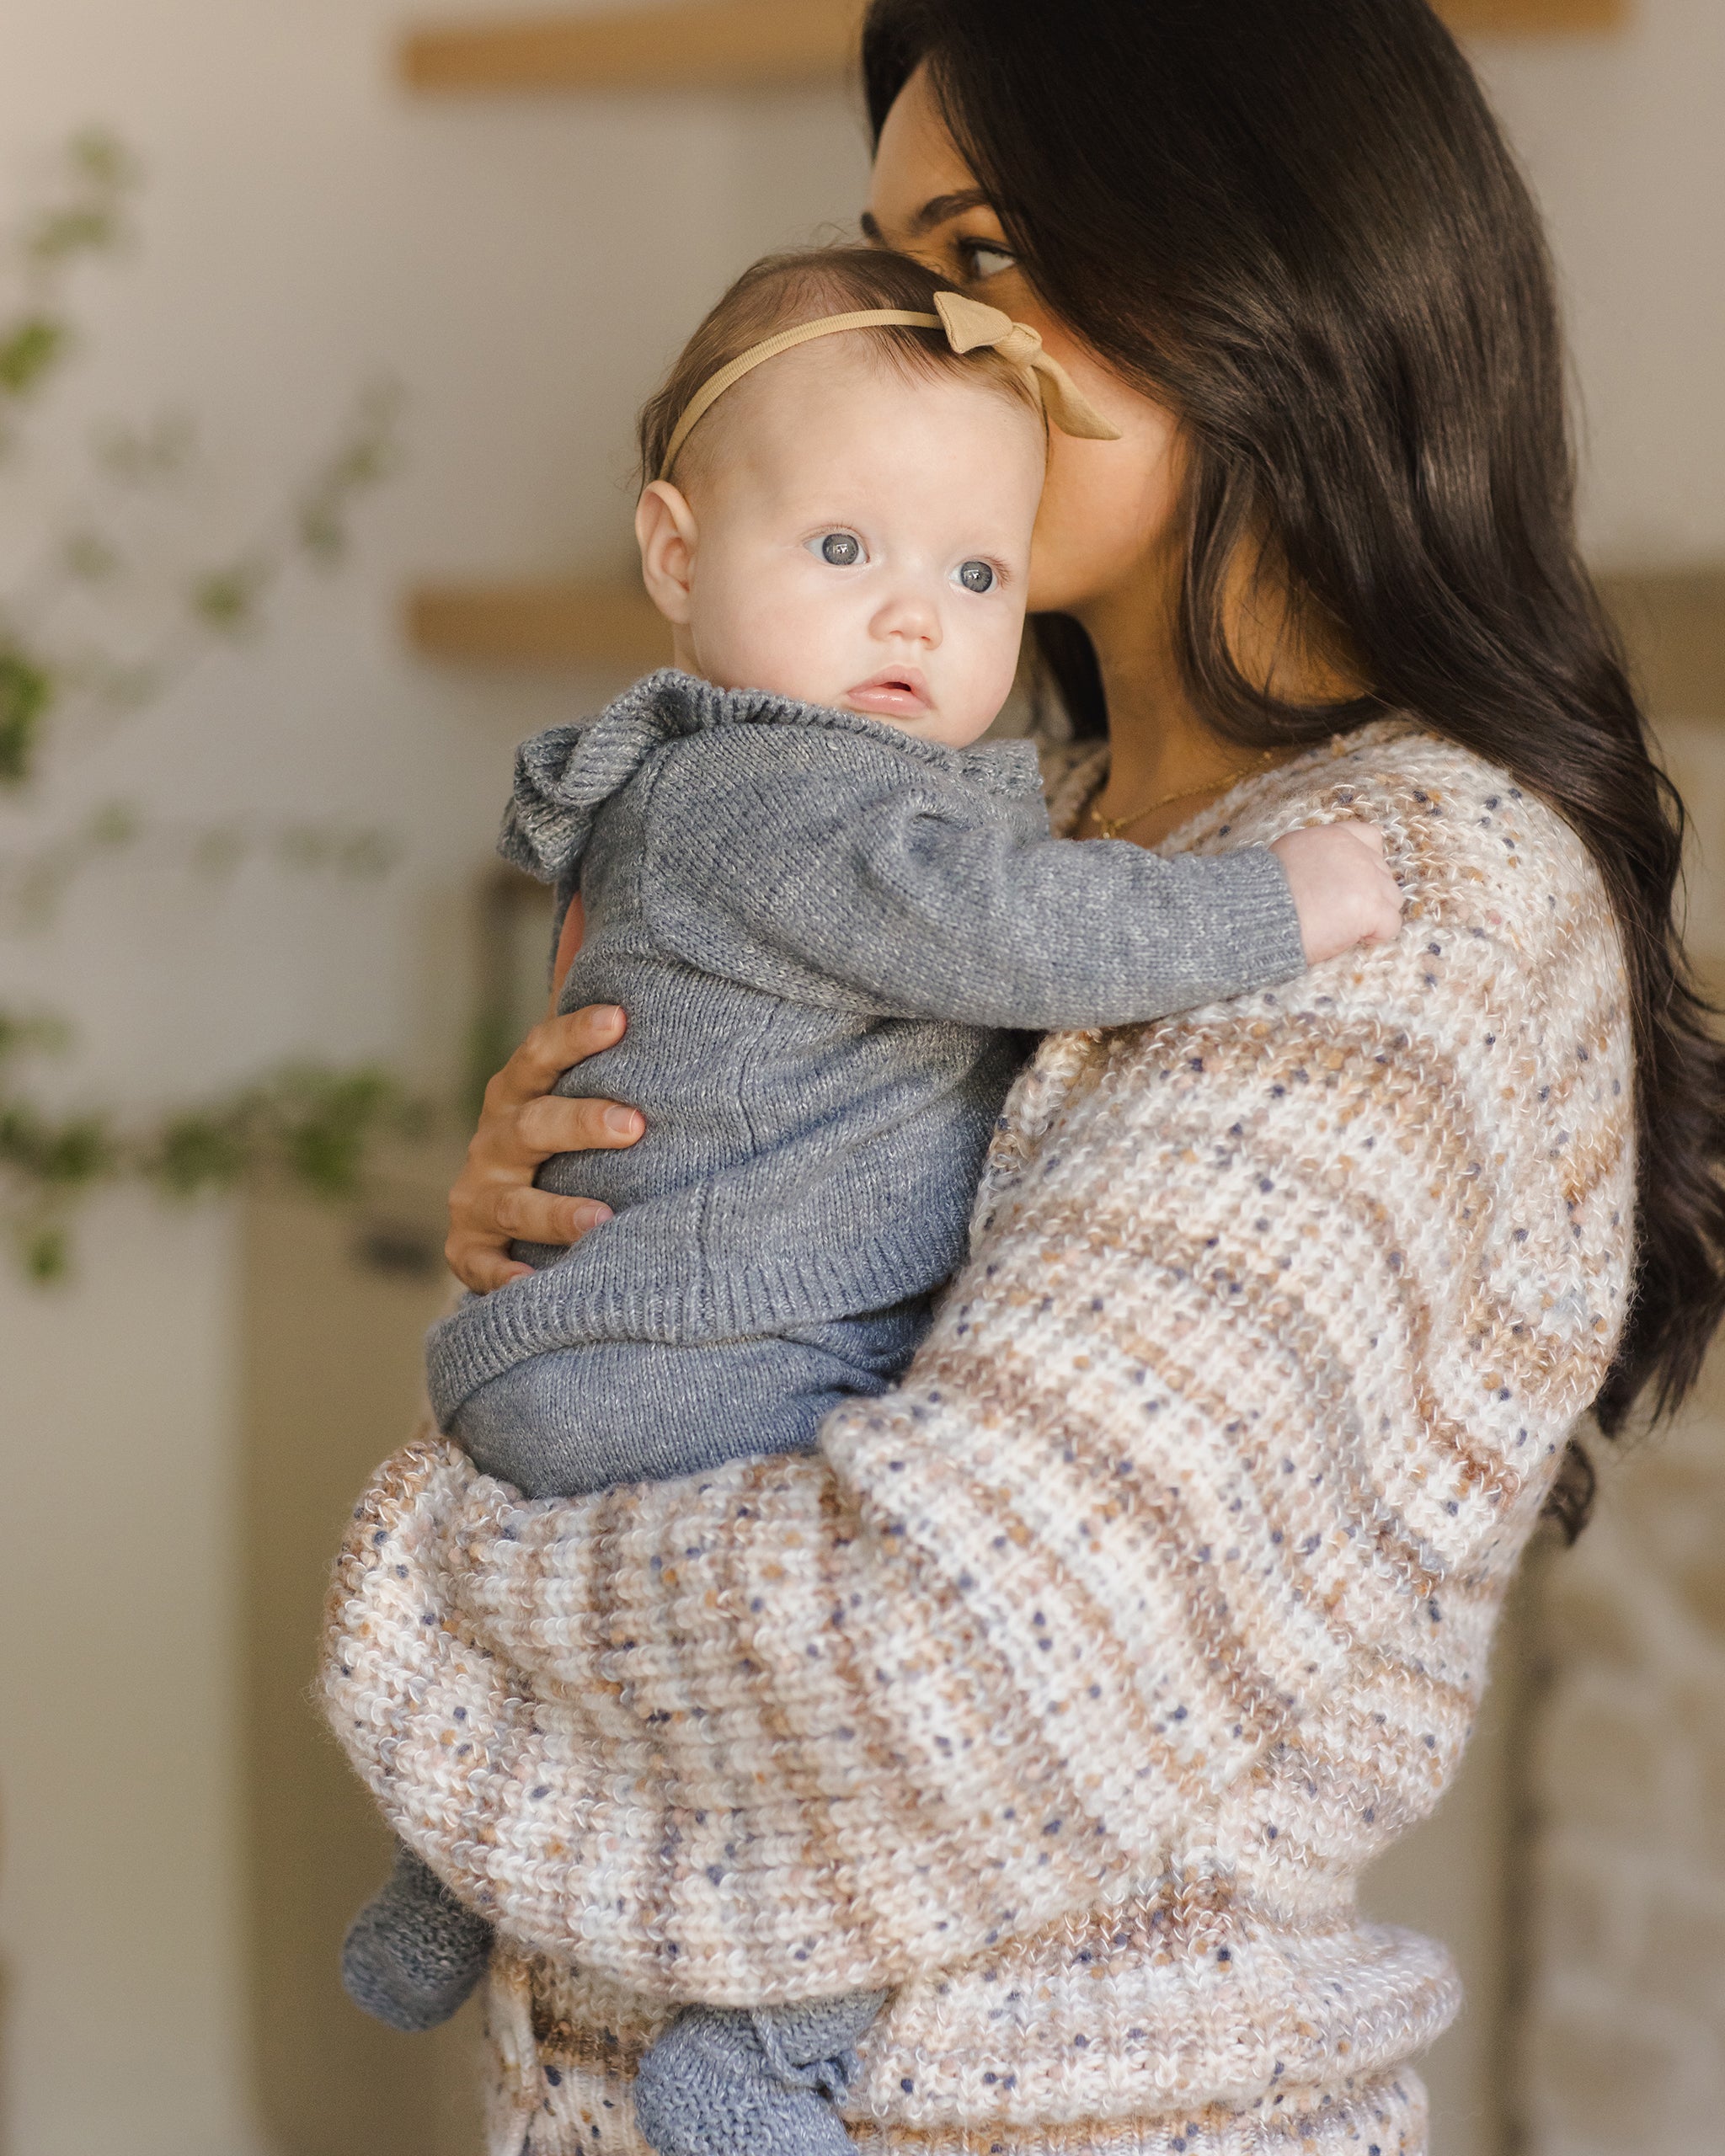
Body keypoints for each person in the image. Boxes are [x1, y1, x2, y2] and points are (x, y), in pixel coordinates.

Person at [322, 3, 1725, 2151]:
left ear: (1255, 251)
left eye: (973, 257)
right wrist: (578, 1253)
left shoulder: (1413, 902)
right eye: (891, 270)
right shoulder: (1021, 829)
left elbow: (948, 1656)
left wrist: (442, 1548)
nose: (925, 350)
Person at [339, 242, 1399, 2156]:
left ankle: (459, 1867)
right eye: (843, 552)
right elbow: (1013, 924)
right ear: (675, 553)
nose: (914, 614)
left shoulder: (725, 779)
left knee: (701, 1697)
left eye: (973, 573)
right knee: (891, 1738)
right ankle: (780, 2041)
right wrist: (1281, 903)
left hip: (595, 1344)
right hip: (700, 1351)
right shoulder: (792, 799)